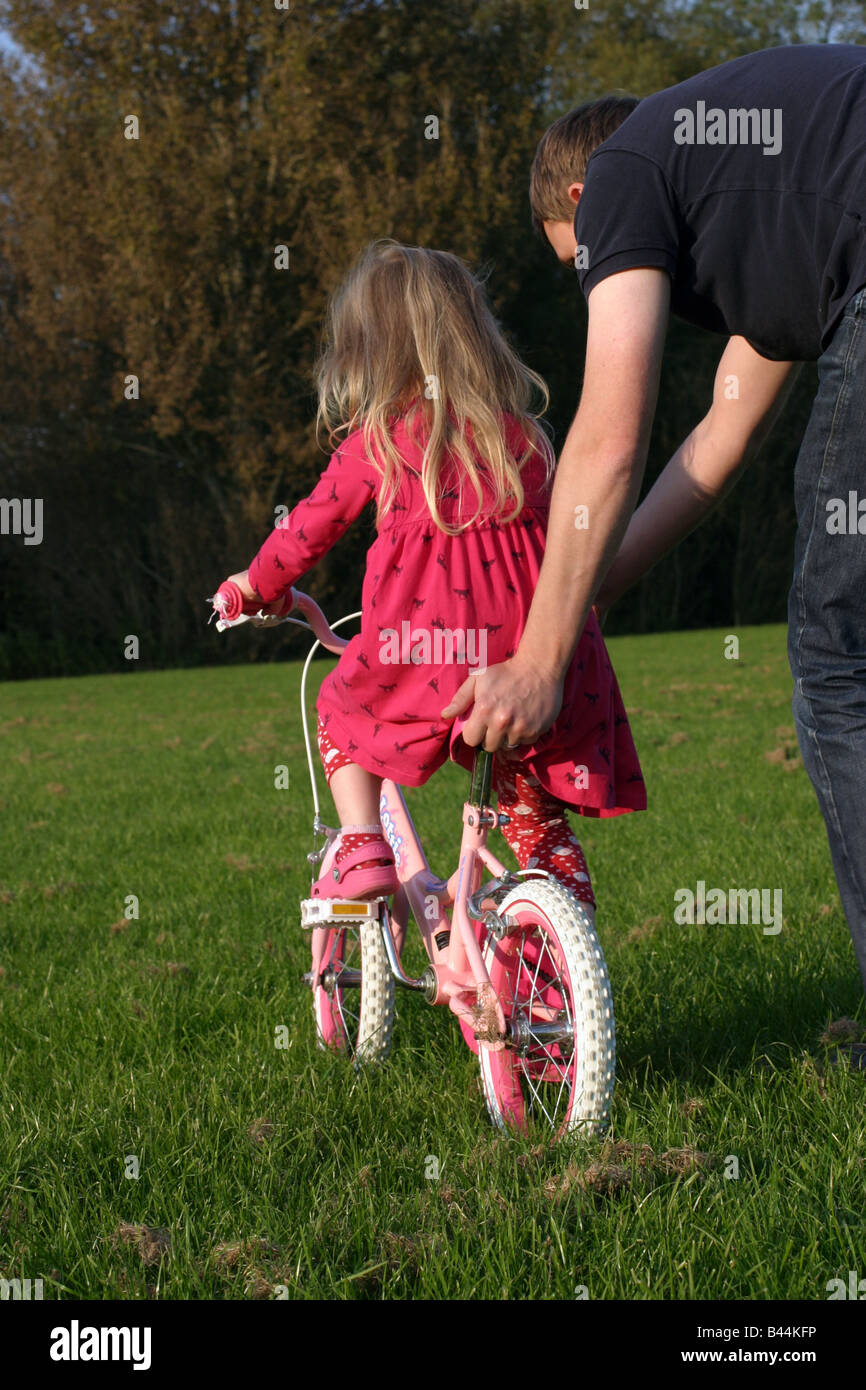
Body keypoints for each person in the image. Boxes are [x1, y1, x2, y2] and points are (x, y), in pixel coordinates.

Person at [442, 44, 866, 1015]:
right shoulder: (767, 216)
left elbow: (609, 433)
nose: (590, 275)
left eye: (574, 258)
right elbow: (713, 445)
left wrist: (540, 660)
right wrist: (580, 597)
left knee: (838, 657)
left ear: (583, 202)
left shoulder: (625, 173)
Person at [219, 239, 645, 905]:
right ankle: (557, 920)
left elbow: (308, 528)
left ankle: (360, 843)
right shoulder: (527, 440)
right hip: (535, 659)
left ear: (366, 349)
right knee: (529, 802)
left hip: (424, 654)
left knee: (339, 710)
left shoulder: (382, 441)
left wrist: (254, 586)